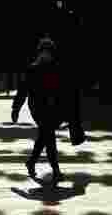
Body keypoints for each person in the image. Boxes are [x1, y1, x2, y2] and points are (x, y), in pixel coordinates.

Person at [11, 36, 79, 184]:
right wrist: (16, 108)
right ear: (39, 53)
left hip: (55, 109)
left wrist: (71, 112)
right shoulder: (32, 69)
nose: (46, 55)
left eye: (48, 52)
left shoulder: (58, 68)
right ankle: (56, 170)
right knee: (49, 135)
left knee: (44, 134)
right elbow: (23, 90)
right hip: (38, 108)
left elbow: (67, 91)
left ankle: (31, 162)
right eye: (43, 52)